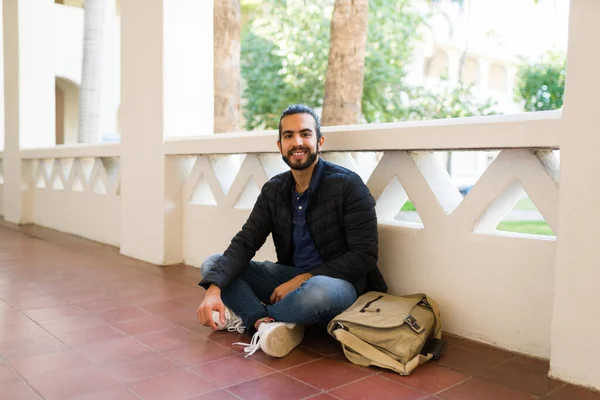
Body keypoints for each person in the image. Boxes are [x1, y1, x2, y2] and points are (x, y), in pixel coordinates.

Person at [196, 104, 387, 358]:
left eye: (305, 134)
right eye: (289, 136)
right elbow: (245, 242)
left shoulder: (348, 185)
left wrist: (304, 278)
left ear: (319, 141)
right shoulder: (274, 190)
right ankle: (264, 323)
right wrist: (214, 289)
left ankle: (251, 314)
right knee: (213, 265)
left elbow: (364, 256)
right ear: (280, 145)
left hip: (338, 284)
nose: (297, 142)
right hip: (288, 279)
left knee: (315, 293)